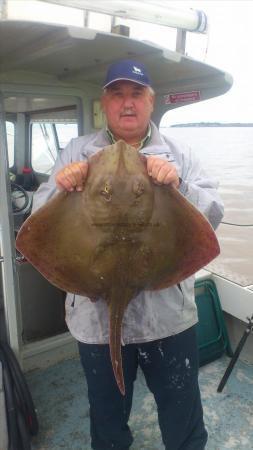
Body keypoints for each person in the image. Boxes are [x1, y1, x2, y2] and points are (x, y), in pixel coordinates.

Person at [33, 59, 224, 450]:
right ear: (104, 103)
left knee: (181, 411)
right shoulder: (76, 151)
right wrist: (60, 186)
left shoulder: (179, 153)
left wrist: (179, 184)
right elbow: (37, 223)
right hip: (95, 317)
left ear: (151, 102)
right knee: (107, 419)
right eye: (117, 95)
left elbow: (213, 217)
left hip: (167, 317)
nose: (127, 104)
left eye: (136, 94)